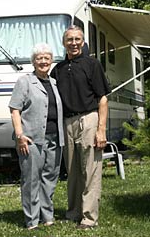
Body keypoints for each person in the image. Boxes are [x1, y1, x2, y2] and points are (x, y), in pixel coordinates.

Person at [50, 25, 111, 229]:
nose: (74, 43)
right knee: (73, 171)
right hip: (67, 123)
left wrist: (101, 130)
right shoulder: (57, 70)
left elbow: (103, 99)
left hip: (89, 119)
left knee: (90, 170)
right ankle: (74, 211)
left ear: (83, 42)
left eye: (77, 39)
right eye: (70, 40)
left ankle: (89, 217)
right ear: (64, 43)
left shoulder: (92, 64)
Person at [8, 43, 64, 230]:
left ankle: (47, 215)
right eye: (39, 58)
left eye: (46, 58)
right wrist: (19, 135)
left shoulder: (54, 83)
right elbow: (15, 109)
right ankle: (32, 220)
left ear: (51, 61)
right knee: (31, 179)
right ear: (33, 61)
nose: (43, 61)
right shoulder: (24, 81)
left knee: (50, 178)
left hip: (55, 138)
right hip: (31, 139)